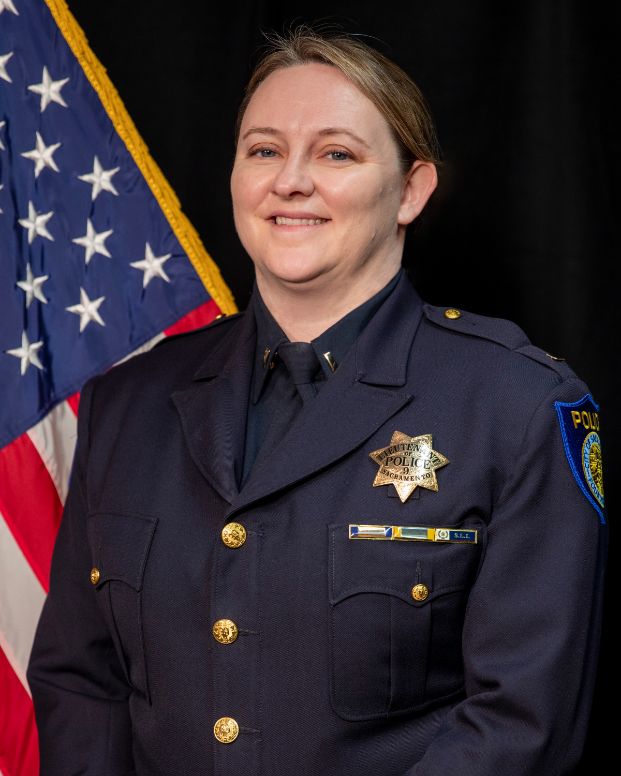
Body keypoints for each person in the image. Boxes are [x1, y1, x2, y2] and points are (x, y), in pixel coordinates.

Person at [28, 27, 606, 776]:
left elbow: (520, 724)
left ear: (410, 190)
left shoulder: (515, 407)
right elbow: (84, 685)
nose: (290, 181)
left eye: (336, 154)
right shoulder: (127, 405)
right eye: (264, 150)